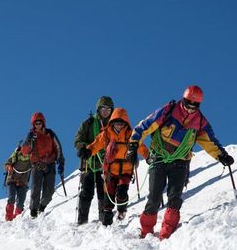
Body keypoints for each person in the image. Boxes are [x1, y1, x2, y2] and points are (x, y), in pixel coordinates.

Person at [126, 85, 234, 239]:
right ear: (183, 99)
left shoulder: (200, 122)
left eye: (194, 105)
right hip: (159, 159)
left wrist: (221, 156)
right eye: (188, 103)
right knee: (154, 197)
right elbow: (145, 126)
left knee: (175, 197)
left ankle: (167, 232)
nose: (190, 108)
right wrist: (133, 145)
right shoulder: (168, 111)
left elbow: (210, 141)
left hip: (181, 163)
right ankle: (146, 230)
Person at [79, 108, 149, 225]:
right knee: (108, 197)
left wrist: (148, 156)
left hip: (125, 170)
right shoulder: (106, 134)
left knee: (122, 193)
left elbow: (141, 146)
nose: (119, 126)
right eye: (117, 123)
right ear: (112, 123)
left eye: (121, 123)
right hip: (110, 171)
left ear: (125, 123)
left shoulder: (130, 135)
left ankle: (122, 210)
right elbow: (96, 144)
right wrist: (87, 151)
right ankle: (107, 225)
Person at [73, 96, 114, 224]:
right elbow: (78, 139)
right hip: (89, 163)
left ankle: (103, 221)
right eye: (103, 108)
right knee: (86, 192)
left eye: (109, 108)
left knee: (104, 193)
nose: (106, 111)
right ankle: (82, 220)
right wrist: (83, 147)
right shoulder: (89, 123)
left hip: (106, 165)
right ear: (98, 109)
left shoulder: (114, 125)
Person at [21, 112, 65, 218]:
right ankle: (33, 210)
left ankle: (42, 205)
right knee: (36, 188)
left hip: (50, 164)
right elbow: (24, 151)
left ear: (43, 123)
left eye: (39, 123)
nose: (38, 125)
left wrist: (61, 162)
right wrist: (28, 141)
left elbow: (58, 147)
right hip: (37, 164)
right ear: (33, 124)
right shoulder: (31, 135)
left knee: (49, 191)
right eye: (36, 123)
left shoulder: (50, 133)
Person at [3, 143, 31, 221]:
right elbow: (6, 164)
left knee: (20, 202)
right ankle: (9, 217)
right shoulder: (15, 156)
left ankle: (17, 218)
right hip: (12, 180)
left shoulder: (31, 159)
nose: (25, 155)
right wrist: (9, 167)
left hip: (23, 182)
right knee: (11, 198)